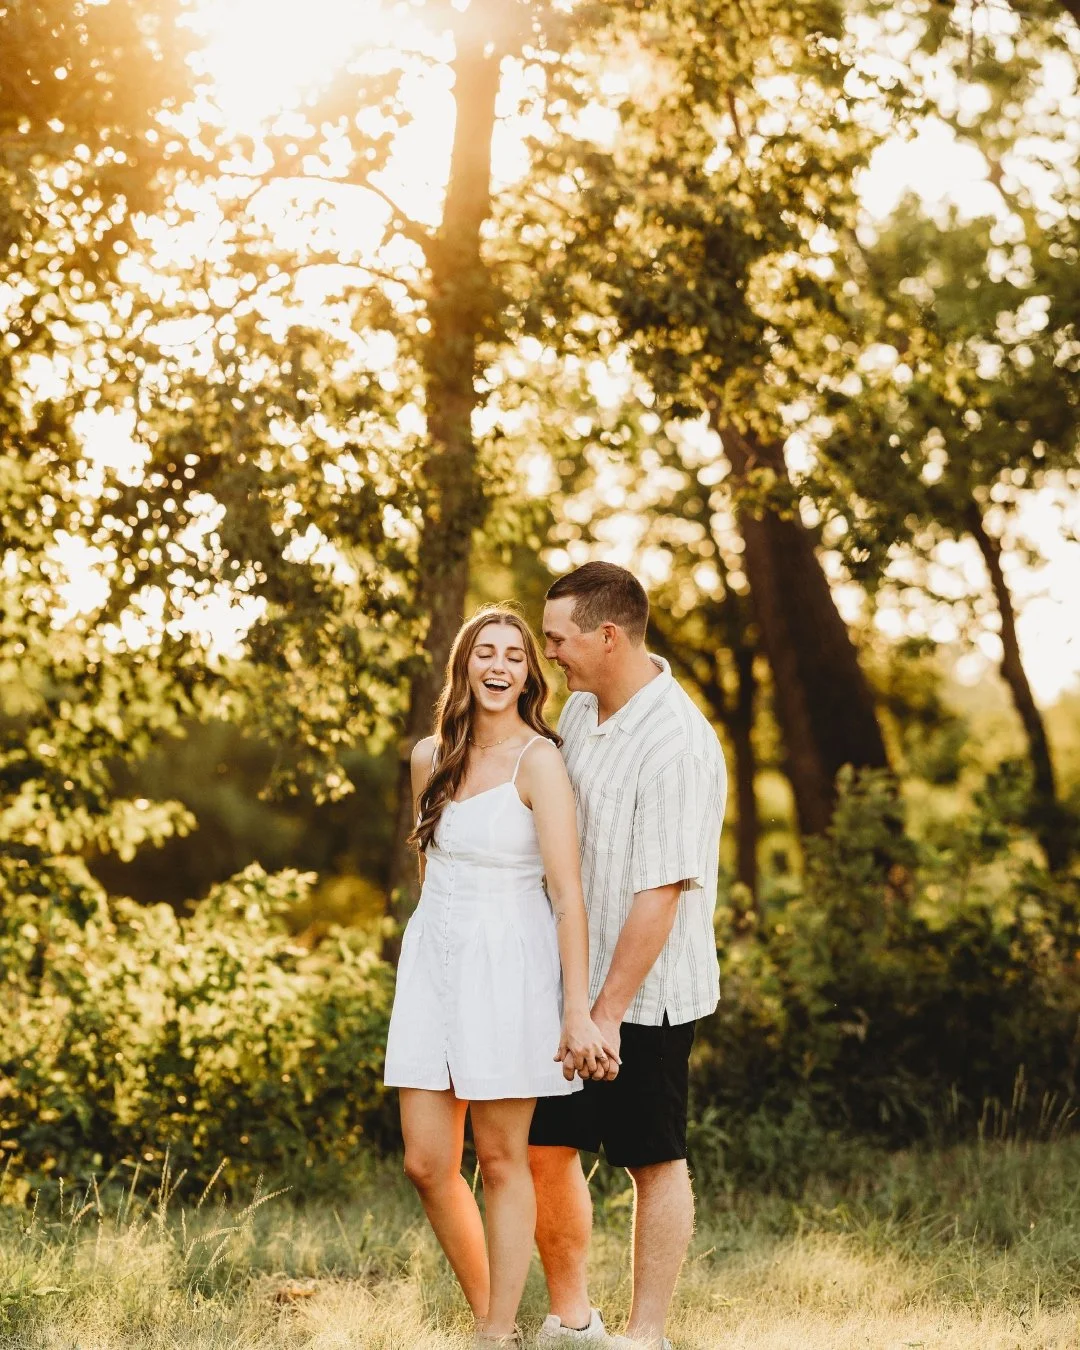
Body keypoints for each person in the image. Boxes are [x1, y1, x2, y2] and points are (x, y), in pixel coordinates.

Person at [383, 604, 614, 1348]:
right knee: (427, 1162)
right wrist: (434, 954)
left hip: (510, 966)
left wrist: (575, 1009)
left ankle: (493, 1333)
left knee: (501, 1158)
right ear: (464, 664)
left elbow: (567, 895)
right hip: (435, 962)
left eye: (515, 656)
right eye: (486, 652)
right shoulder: (430, 758)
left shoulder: (539, 761)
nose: (499, 666)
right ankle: (497, 1318)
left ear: (528, 676)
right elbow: (432, 872)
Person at [530, 562, 727, 1350]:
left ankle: (646, 1336)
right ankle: (573, 1322)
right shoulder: (580, 710)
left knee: (652, 1158)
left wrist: (605, 1014)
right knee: (546, 1144)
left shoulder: (677, 742)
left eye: (558, 639)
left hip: (647, 996)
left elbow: (661, 895)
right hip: (570, 986)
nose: (549, 653)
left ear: (607, 636)